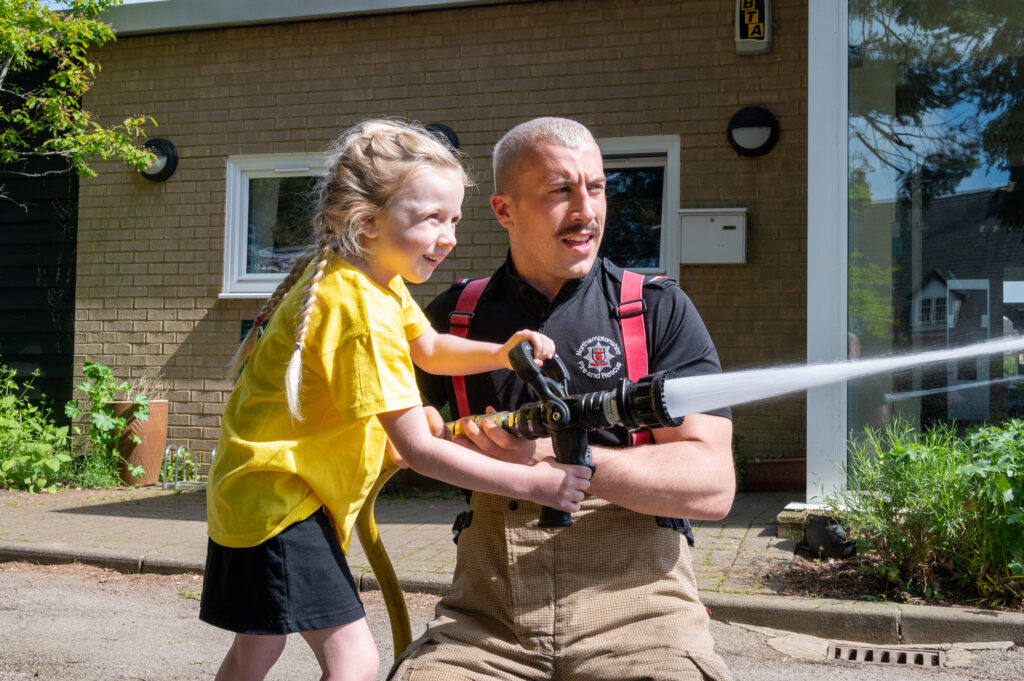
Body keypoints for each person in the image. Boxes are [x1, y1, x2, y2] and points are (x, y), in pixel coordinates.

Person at [199, 119, 593, 681]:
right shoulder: (359, 307)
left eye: (454, 218)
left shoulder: (372, 280)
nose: (450, 235)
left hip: (259, 492)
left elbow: (429, 348)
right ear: (367, 222)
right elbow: (420, 450)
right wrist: (538, 483)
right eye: (432, 218)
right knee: (354, 662)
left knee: (258, 649)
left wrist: (502, 352)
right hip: (280, 505)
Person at [389, 117, 736, 681]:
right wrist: (408, 440)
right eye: (560, 191)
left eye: (596, 188)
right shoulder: (452, 323)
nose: (587, 211)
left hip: (643, 618)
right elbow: (382, 435)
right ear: (503, 210)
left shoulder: (655, 311)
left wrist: (557, 460)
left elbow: (713, 485)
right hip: (486, 622)